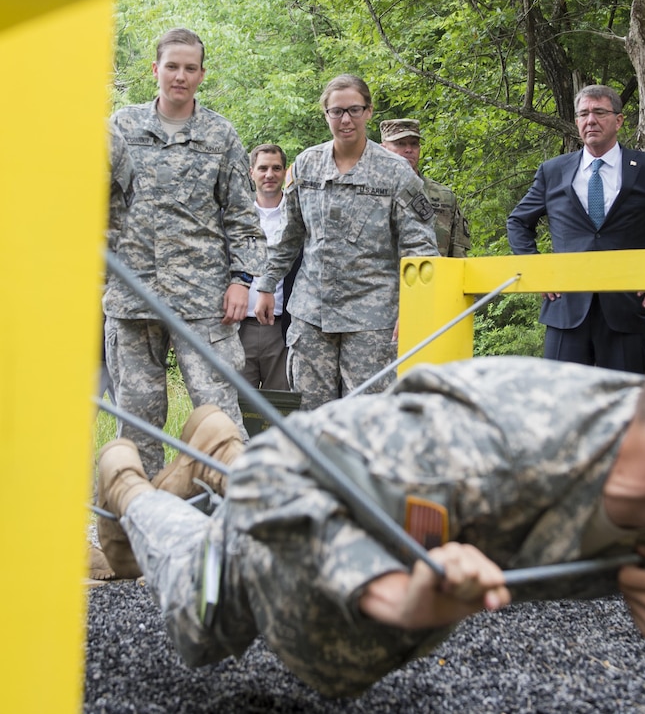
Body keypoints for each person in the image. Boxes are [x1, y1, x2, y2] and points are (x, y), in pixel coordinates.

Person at [94, 317, 645, 698]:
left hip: (398, 505)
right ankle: (125, 482)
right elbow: (279, 478)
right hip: (309, 517)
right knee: (201, 622)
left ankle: (214, 448)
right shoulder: (494, 440)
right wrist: (393, 590)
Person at [104, 28, 265, 477]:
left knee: (220, 420)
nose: (180, 76)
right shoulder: (121, 128)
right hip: (131, 296)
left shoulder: (220, 135)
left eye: (189, 68)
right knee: (137, 422)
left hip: (203, 300)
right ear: (155, 70)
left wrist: (242, 281)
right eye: (171, 66)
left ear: (201, 74)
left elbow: (241, 217)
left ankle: (236, 517)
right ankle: (137, 523)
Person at [254, 75, 438, 410]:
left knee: (370, 414)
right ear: (325, 114)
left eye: (354, 110)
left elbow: (420, 247)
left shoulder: (396, 173)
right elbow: (290, 236)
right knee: (311, 415)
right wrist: (266, 284)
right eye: (336, 112)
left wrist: (415, 305)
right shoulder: (307, 165)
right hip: (312, 315)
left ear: (368, 111)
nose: (346, 120)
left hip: (373, 318)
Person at [506, 85, 645, 373]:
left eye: (599, 112)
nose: (590, 120)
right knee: (560, 401)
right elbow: (518, 222)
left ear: (618, 120)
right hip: (565, 309)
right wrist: (537, 269)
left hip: (626, 308)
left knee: (625, 402)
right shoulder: (553, 171)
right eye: (583, 114)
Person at [239, 144, 290, 391]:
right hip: (239, 326)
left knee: (279, 409)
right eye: (263, 168)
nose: (269, 174)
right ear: (252, 172)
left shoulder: (297, 214)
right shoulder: (236, 215)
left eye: (276, 168)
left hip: (281, 329)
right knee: (238, 408)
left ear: (284, 172)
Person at [379, 119, 471, 257]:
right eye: (400, 144)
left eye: (414, 144)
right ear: (383, 148)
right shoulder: (369, 195)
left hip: (435, 276)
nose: (409, 149)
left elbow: (458, 256)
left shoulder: (444, 197)